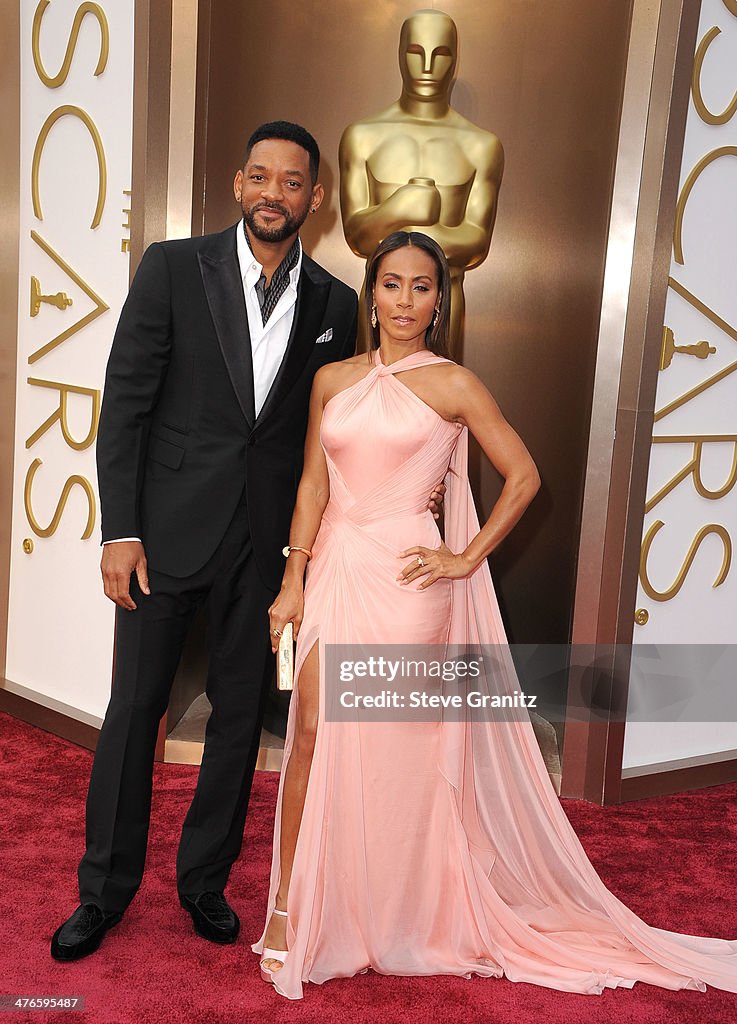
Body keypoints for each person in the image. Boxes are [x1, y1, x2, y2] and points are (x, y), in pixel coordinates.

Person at [251, 231, 737, 999]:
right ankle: (289, 906)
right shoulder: (331, 379)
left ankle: (398, 911)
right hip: (337, 569)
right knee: (310, 734)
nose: (404, 301)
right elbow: (312, 485)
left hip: (411, 584)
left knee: (392, 750)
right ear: (369, 292)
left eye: (420, 288)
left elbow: (523, 477)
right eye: (391, 285)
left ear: (439, 301)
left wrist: (464, 555)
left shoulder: (454, 384)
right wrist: (293, 576)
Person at [51, 121, 370, 961]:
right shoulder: (171, 266)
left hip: (260, 549)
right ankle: (104, 890)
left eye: (292, 181)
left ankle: (204, 883)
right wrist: (118, 529)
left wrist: (310, 555)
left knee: (238, 721)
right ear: (237, 184)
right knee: (133, 713)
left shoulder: (338, 305)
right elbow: (124, 402)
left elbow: (325, 439)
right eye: (260, 176)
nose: (274, 192)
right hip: (162, 536)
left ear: (315, 196)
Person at [339, 8, 504, 355]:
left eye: (440, 54)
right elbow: (356, 235)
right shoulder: (362, 137)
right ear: (400, 55)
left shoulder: (481, 145)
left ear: (455, 61)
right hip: (379, 300)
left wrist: (402, 231)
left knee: (436, 403)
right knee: (370, 397)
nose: (427, 66)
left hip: (445, 303)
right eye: (416, 53)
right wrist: (401, 206)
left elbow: (476, 241)